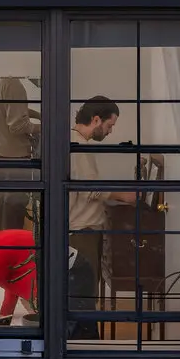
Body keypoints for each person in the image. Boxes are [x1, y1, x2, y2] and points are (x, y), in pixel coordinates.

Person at [67, 96, 137, 339]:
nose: (109, 131)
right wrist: (123, 196)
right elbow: (89, 188)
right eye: (109, 125)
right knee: (83, 296)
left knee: (82, 295)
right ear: (96, 120)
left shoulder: (75, 144)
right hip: (81, 234)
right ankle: (84, 348)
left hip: (81, 232)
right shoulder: (77, 147)